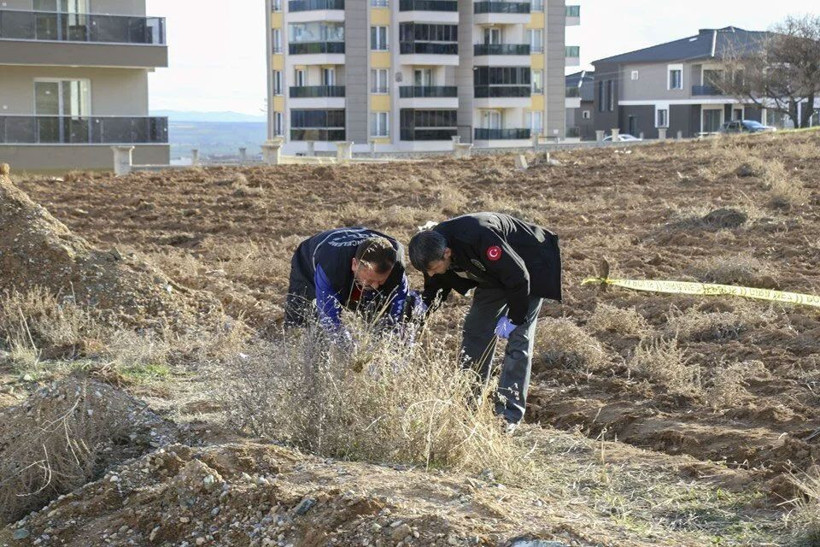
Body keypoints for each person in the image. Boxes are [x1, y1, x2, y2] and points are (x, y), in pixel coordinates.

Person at [408, 213, 562, 428]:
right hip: (493, 274)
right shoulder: (429, 251)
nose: (431, 274)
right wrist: (415, 320)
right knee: (475, 332)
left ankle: (508, 416)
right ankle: (466, 408)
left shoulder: (477, 237)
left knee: (518, 340)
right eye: (427, 271)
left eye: (434, 269)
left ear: (447, 253)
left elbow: (519, 277)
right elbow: (434, 291)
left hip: (529, 266)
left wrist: (515, 319)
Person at [285, 227, 409, 333]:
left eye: (380, 280)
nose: (376, 286)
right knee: (304, 321)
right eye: (370, 280)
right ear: (354, 264)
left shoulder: (395, 266)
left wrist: (392, 333)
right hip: (309, 265)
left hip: (352, 265)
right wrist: (347, 347)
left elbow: (398, 310)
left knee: (382, 317)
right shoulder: (331, 266)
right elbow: (329, 320)